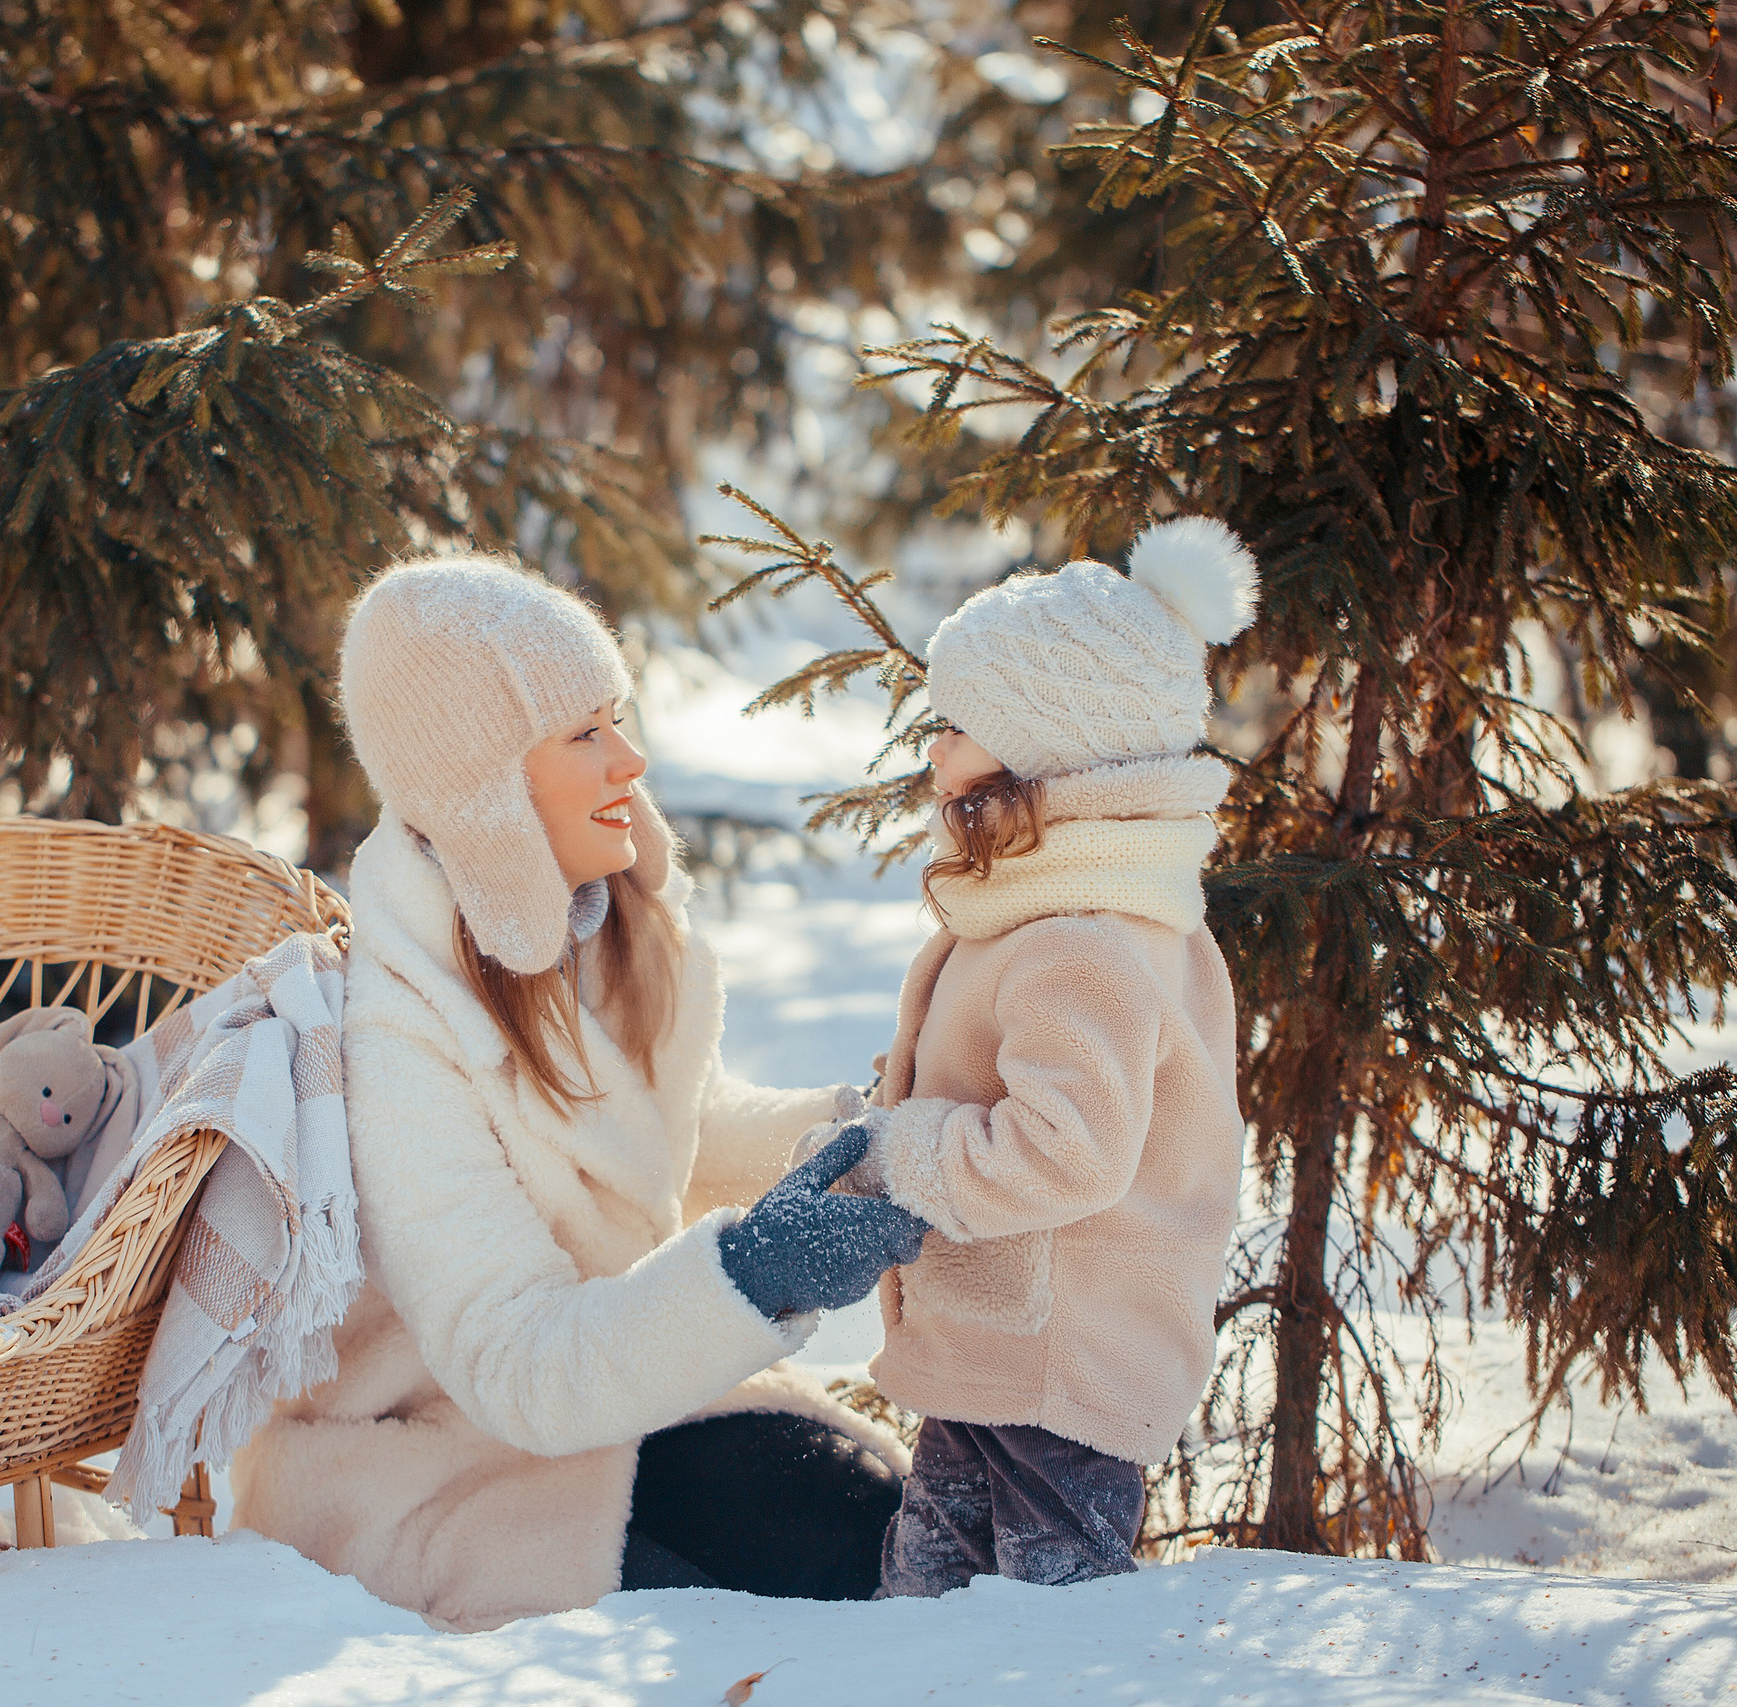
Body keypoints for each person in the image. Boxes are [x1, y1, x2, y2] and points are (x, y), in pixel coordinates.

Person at [231, 554, 928, 1632]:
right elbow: (512, 1357)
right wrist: (752, 1272)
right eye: (586, 734)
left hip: (605, 1395)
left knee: (857, 1513)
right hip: (435, 1450)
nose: (631, 759)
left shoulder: (584, 927)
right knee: (767, 1610)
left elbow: (664, 1132)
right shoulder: (394, 1037)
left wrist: (852, 1132)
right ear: (485, 782)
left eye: (617, 719)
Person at [840, 516, 1256, 1598]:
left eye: (957, 726)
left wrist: (902, 1155)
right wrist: (866, 1141)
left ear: (1049, 746)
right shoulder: (1053, 911)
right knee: (922, 1619)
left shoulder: (1084, 937)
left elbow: (1066, 1152)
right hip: (994, 1356)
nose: (932, 750)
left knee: (1049, 1633)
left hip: (1057, 1375)